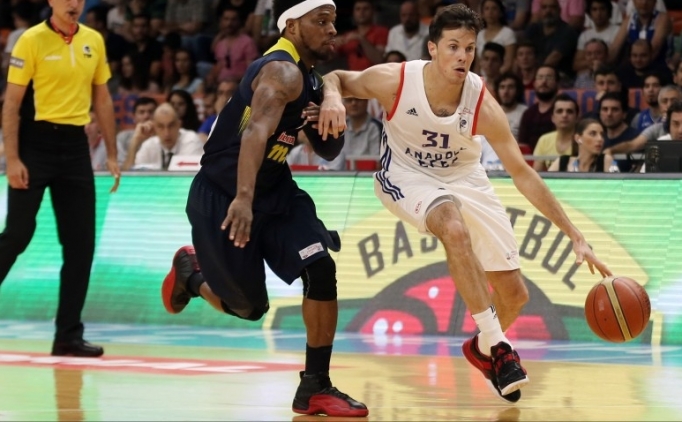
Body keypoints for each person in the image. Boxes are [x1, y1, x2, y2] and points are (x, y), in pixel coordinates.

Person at [318, 3, 611, 403]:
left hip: (465, 176)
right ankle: (500, 345)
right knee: (452, 226)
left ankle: (481, 347)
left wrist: (575, 234)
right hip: (405, 175)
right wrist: (332, 98)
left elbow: (523, 173)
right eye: (453, 46)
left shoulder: (481, 103)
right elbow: (335, 77)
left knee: (515, 296)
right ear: (433, 48)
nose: (462, 56)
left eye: (469, 48)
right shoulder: (396, 80)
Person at [160, 0, 368, 417]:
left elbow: (329, 151)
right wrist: (242, 198)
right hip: (225, 194)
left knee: (320, 268)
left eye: (333, 21)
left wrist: (325, 116)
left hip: (276, 191)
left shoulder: (311, 79)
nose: (332, 30)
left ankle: (314, 386)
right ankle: (192, 274)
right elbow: (255, 131)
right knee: (248, 308)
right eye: (321, 21)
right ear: (291, 26)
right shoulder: (281, 72)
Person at [1, 0, 121, 357]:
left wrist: (112, 153)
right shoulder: (30, 40)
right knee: (18, 234)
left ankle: (68, 335)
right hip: (35, 143)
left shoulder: (93, 40)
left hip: (75, 147)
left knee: (81, 245)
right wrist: (13, 158)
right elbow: (11, 104)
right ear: (51, 2)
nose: (74, 4)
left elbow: (103, 99)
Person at [547, 118, 619, 172]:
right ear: (578, 138)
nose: (600, 139)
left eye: (602, 135)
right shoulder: (562, 162)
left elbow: (618, 186)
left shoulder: (606, 160)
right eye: (593, 134)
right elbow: (545, 184)